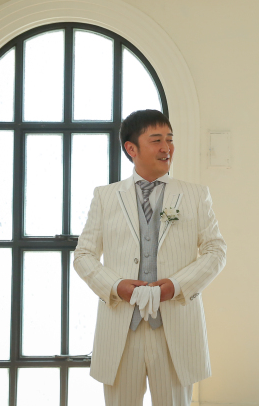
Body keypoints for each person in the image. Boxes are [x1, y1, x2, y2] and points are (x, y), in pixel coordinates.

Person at [74, 109, 227, 406]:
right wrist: (115, 286)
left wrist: (177, 285)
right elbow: (83, 255)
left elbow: (216, 250)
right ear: (131, 149)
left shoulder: (195, 195)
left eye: (170, 139)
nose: (166, 147)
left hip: (175, 328)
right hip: (121, 328)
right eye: (156, 140)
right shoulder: (105, 197)